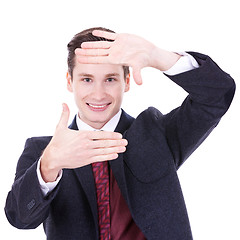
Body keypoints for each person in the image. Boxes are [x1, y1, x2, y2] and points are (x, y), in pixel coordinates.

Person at [5, 27, 235, 240]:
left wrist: (157, 56)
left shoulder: (157, 134)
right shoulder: (42, 151)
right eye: (86, 79)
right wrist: (48, 165)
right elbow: (19, 219)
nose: (98, 94)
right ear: (70, 81)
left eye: (110, 79)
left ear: (126, 82)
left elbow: (217, 96)